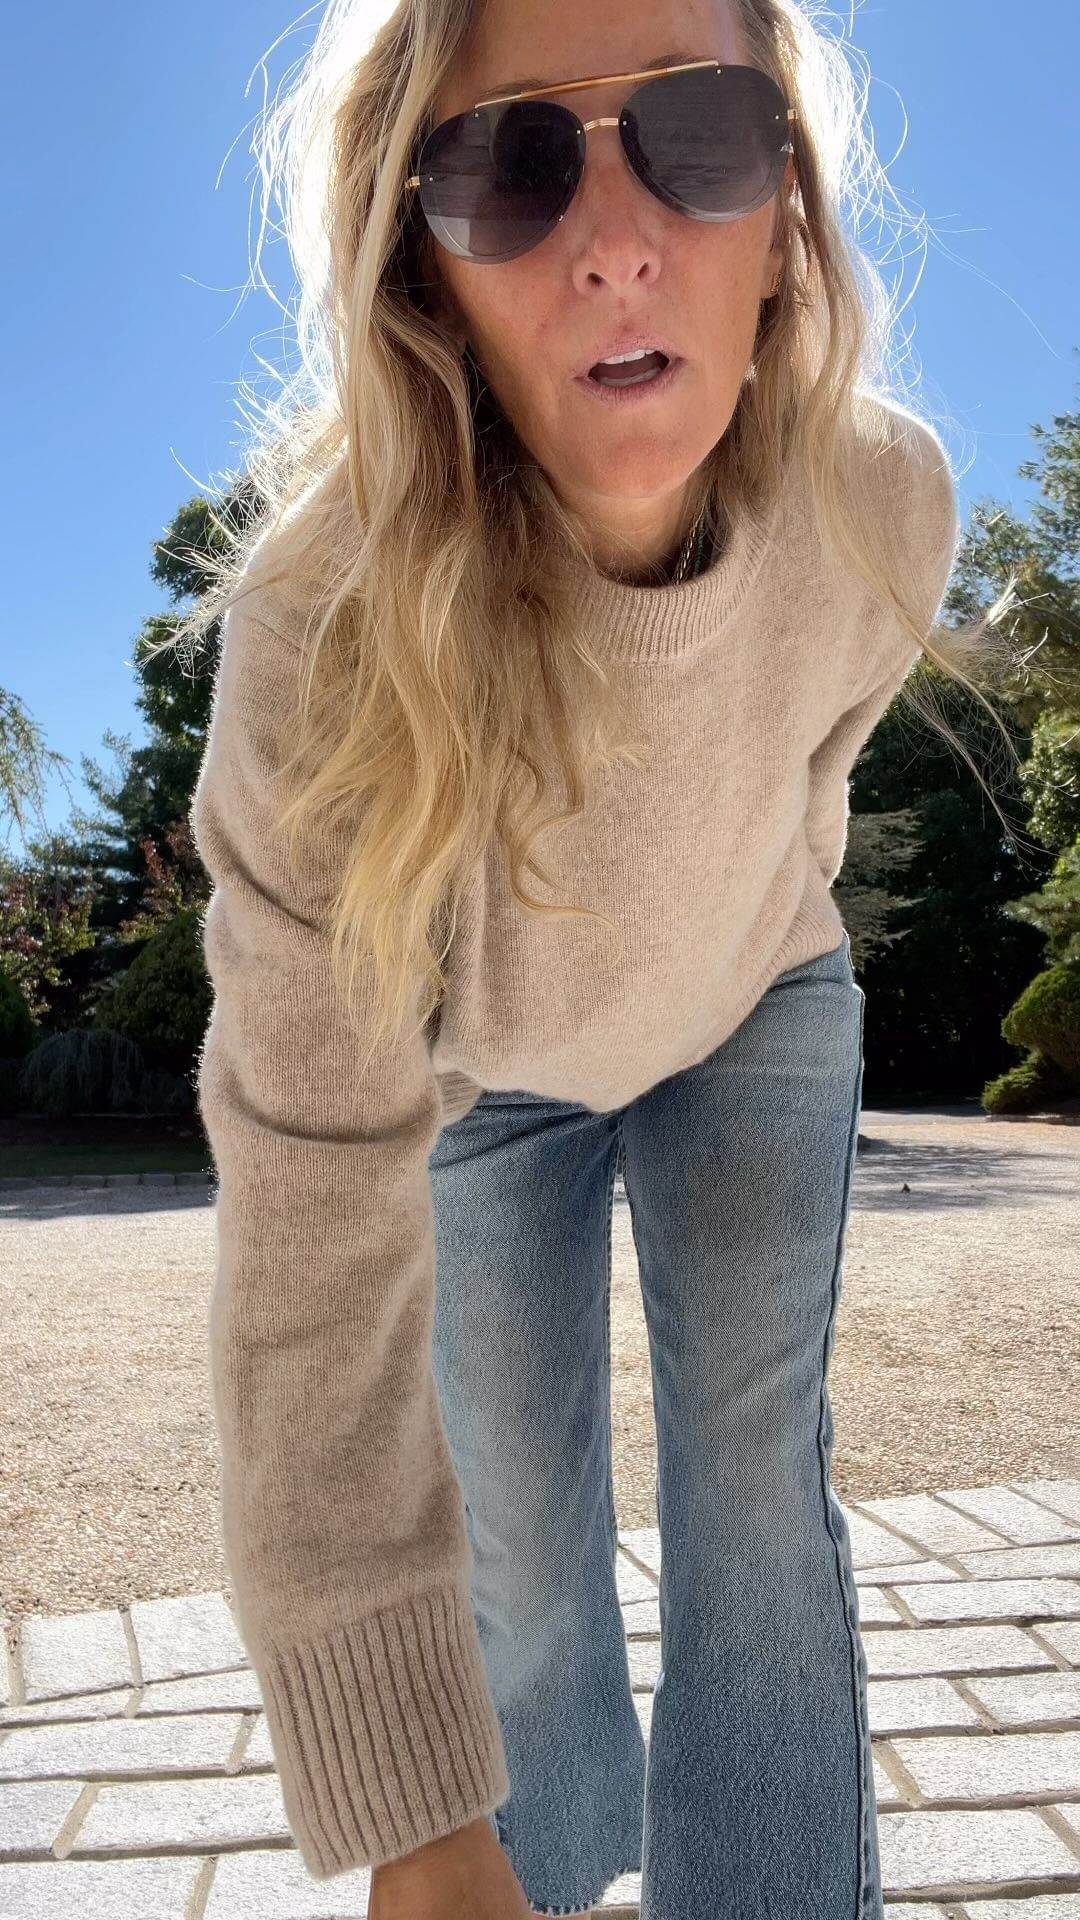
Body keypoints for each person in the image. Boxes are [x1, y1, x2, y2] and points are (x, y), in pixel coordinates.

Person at [174, 0, 1019, 1914]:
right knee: (523, 1554)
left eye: (700, 134)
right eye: (511, 165)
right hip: (479, 1078)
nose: (619, 241)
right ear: (424, 270)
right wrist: (419, 1832)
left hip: (755, 1003)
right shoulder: (321, 631)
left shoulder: (886, 503)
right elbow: (310, 1230)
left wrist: (730, 913)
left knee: (755, 1504)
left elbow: (808, 764)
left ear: (786, 211)